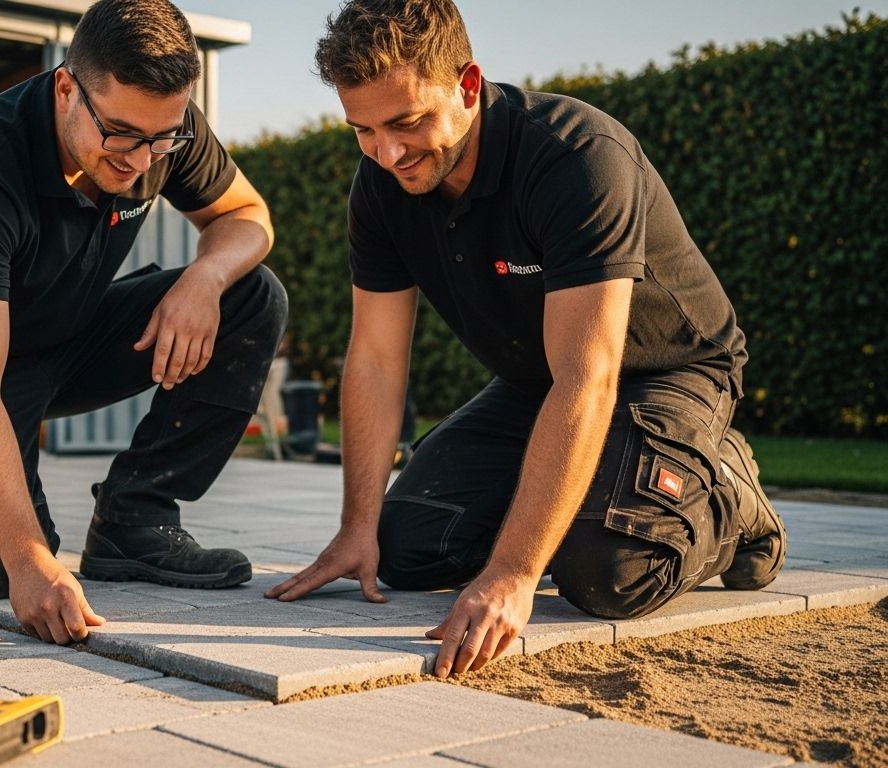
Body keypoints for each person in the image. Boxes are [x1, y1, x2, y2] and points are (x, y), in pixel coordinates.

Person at [266, 0, 785, 679]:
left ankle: (724, 489)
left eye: (408, 121)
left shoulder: (575, 158)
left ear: (468, 86)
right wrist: (355, 526)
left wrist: (514, 571)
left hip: (667, 373)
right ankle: (605, 494)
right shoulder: (381, 188)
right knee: (405, 550)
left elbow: (589, 377)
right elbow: (374, 359)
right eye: (362, 129)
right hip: (535, 383)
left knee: (608, 570)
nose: (387, 152)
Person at [0, 0, 286, 645]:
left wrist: (205, 279)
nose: (141, 160)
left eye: (162, 139)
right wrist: (28, 562)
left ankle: (135, 520)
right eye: (122, 135)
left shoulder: (161, 126)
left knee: (251, 295)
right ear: (66, 88)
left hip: (57, 336)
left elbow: (247, 216)